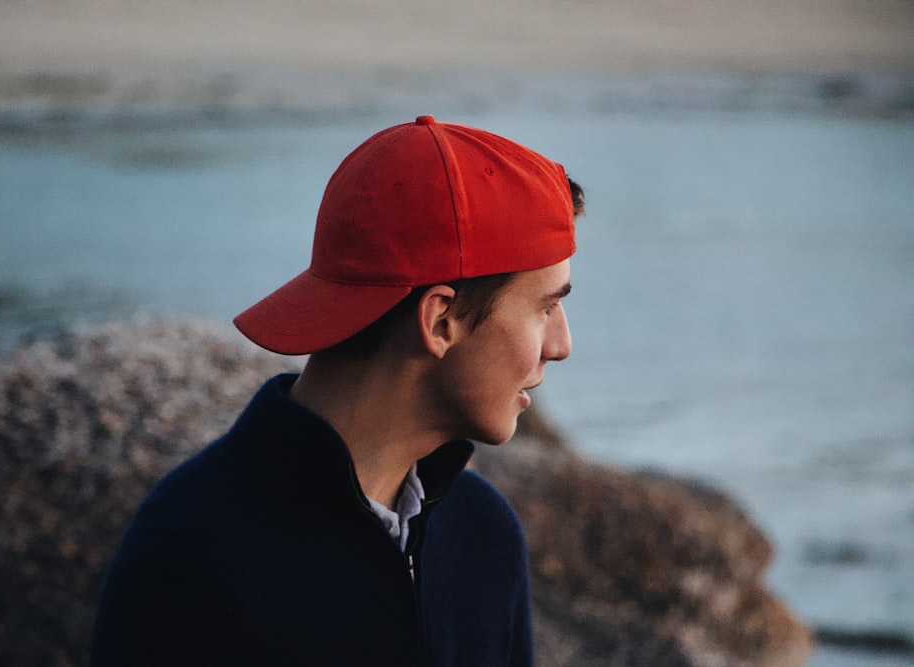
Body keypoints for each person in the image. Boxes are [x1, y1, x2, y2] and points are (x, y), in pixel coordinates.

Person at [90, 114, 584, 666]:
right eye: (545, 307)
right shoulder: (192, 550)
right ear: (440, 320)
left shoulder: (482, 537)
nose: (561, 344)